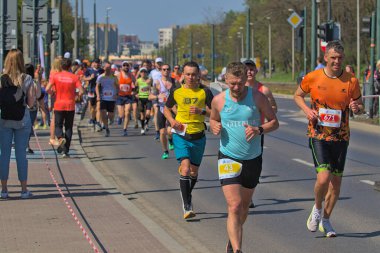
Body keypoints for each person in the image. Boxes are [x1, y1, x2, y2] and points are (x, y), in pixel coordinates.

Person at [294, 40, 364, 238]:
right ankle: (317, 209)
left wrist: (357, 108)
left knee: (336, 184)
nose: (336, 61)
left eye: (340, 58)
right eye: (333, 57)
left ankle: (326, 219)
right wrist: (307, 110)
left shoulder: (351, 81)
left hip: (341, 137)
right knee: (323, 177)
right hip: (319, 134)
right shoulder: (313, 77)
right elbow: (297, 96)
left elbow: (359, 106)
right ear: (325, 57)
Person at [209, 62, 278, 253]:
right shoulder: (219, 101)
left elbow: (274, 122)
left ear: (245, 80)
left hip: (253, 157)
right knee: (234, 205)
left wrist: (260, 129)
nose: (237, 88)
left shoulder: (257, 97)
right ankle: (237, 250)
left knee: (244, 207)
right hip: (228, 156)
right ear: (226, 80)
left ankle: (232, 239)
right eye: (232, 84)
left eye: (240, 83)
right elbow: (213, 119)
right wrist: (212, 125)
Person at [164, 61, 214, 219]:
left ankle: (187, 194)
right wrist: (172, 122)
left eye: (194, 74)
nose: (191, 77)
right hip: (181, 135)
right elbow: (166, 108)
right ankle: (187, 205)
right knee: (185, 169)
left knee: (194, 171)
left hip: (198, 136)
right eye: (188, 74)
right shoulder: (177, 91)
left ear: (198, 75)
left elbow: (215, 113)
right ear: (183, 75)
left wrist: (202, 111)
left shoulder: (205, 92)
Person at [0, 49, 36, 199]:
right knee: (21, 154)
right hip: (23, 120)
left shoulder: (2, 78)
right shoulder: (27, 79)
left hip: (4, 120)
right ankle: (23, 190)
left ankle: (4, 190)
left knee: (4, 155)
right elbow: (31, 102)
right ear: (21, 61)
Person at [243, 59, 278, 208]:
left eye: (252, 69)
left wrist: (264, 109)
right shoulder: (238, 88)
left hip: (257, 132)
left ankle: (249, 194)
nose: (249, 72)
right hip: (239, 131)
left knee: (253, 165)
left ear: (256, 72)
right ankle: (240, 193)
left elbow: (274, 108)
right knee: (240, 162)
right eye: (247, 69)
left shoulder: (263, 90)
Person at [46, 58, 84, 158]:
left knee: (58, 125)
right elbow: (81, 91)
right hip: (70, 105)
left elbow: (47, 89)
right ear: (70, 66)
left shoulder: (55, 76)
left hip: (59, 104)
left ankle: (60, 137)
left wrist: (53, 93)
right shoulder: (74, 77)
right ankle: (65, 151)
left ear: (61, 66)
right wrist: (76, 95)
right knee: (68, 127)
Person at [152, 63, 176, 159]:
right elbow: (150, 96)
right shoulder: (157, 83)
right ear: (161, 71)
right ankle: (165, 151)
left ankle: (170, 140)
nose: (166, 71)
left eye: (168, 69)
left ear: (170, 71)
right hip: (161, 109)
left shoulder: (175, 82)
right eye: (164, 69)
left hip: (171, 110)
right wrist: (158, 96)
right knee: (162, 132)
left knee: (170, 131)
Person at [95, 61, 119, 137]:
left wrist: (116, 94)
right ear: (104, 68)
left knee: (110, 115)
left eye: (109, 67)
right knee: (103, 112)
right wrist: (98, 95)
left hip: (112, 98)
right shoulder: (100, 77)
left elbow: (118, 87)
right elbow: (97, 87)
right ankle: (106, 128)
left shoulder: (114, 77)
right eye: (107, 67)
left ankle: (110, 119)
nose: (108, 69)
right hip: (103, 97)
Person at [115, 61, 136, 136]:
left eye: (127, 65)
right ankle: (120, 117)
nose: (126, 67)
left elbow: (136, 84)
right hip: (120, 96)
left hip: (128, 96)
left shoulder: (131, 75)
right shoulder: (118, 75)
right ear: (122, 67)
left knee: (127, 113)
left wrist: (134, 91)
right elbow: (113, 82)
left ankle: (125, 129)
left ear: (129, 67)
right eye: (124, 65)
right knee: (121, 114)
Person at [84, 59, 104, 130]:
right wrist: (90, 78)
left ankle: (99, 122)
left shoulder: (102, 71)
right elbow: (84, 78)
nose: (97, 64)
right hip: (91, 91)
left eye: (99, 63)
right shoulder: (89, 70)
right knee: (92, 108)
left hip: (100, 91)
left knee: (99, 108)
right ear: (93, 63)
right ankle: (92, 118)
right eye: (96, 63)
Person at [135, 67, 152, 135]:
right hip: (141, 98)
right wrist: (136, 94)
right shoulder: (138, 80)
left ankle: (146, 123)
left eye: (145, 72)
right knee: (142, 115)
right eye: (142, 72)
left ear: (146, 73)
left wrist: (151, 93)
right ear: (140, 73)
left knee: (148, 114)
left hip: (148, 98)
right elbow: (135, 88)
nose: (143, 73)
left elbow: (152, 88)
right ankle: (142, 129)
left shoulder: (149, 80)